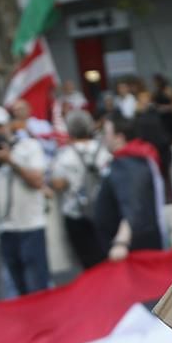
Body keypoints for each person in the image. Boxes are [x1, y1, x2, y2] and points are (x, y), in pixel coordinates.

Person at [0, 105, 52, 296]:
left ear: (8, 125)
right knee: (18, 287)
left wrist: (10, 160)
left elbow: (37, 181)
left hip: (31, 225)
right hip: (5, 228)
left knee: (37, 285)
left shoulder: (28, 147)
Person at [94, 115, 168, 261]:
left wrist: (121, 242)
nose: (104, 138)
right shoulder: (135, 159)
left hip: (132, 249)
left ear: (119, 137)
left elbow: (133, 204)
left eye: (107, 134)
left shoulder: (128, 164)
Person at [48, 110, 113, 270]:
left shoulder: (64, 156)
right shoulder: (103, 151)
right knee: (108, 258)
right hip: (105, 211)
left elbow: (57, 184)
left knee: (88, 262)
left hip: (76, 214)